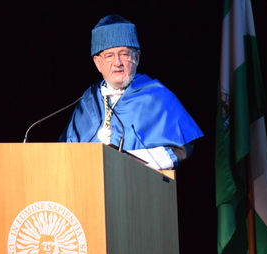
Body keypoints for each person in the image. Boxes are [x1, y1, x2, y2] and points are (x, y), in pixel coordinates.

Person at [59, 14, 204, 170]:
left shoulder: (156, 95)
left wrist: (129, 162)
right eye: (109, 56)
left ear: (137, 57)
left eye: (124, 54)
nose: (117, 63)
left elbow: (180, 149)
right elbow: (66, 152)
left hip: (138, 187)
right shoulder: (88, 99)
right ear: (98, 63)